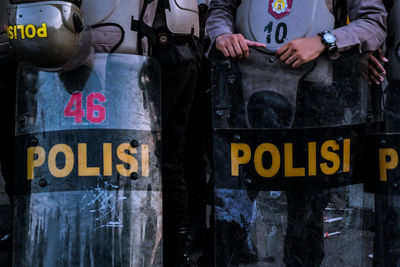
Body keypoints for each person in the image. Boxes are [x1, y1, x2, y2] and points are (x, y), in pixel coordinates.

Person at [206, 0, 387, 266]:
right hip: (244, 95)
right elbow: (220, 8)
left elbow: (373, 22)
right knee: (230, 207)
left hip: (314, 101)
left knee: (306, 212)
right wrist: (222, 35)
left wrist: (324, 40)